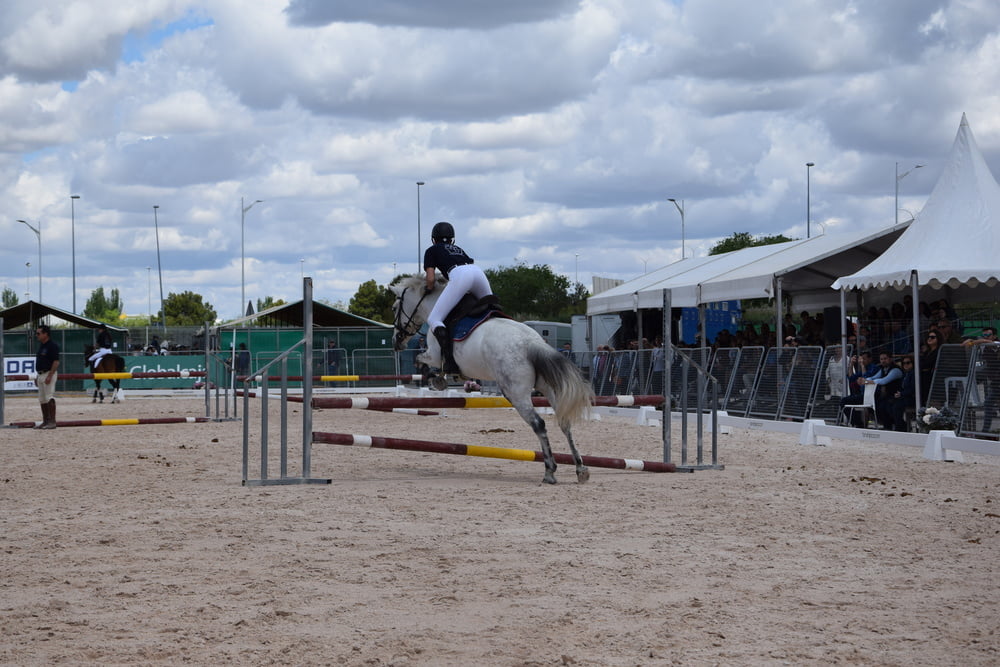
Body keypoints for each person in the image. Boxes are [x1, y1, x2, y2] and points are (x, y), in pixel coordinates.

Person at [423, 221, 494, 375]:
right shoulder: (458, 249)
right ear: (452, 240)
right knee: (491, 308)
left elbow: (430, 280)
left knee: (434, 319)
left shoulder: (431, 250)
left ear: (433, 239)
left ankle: (450, 361)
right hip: (478, 273)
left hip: (460, 275)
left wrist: (428, 289)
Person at [34, 324, 60, 429]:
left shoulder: (52, 346)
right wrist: (37, 376)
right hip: (41, 374)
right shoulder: (42, 346)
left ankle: (52, 421)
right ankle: (45, 421)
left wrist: (50, 375)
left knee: (49, 397)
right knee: (42, 399)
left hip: (48, 373)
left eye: (38, 333)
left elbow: (56, 361)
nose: (37, 335)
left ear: (46, 334)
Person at [890, 356, 917, 431]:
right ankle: (900, 424)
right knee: (889, 403)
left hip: (912, 397)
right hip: (904, 396)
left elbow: (913, 388)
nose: (906, 365)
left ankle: (900, 427)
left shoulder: (914, 373)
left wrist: (901, 394)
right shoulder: (905, 374)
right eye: (904, 363)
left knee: (897, 407)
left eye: (908, 363)